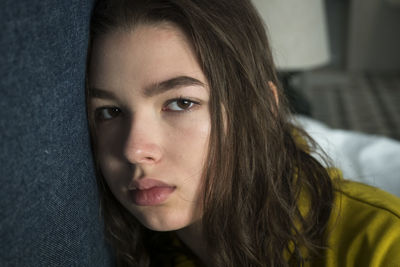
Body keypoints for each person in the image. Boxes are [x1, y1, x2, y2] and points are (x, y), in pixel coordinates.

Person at [86, 0, 400, 266]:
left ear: (261, 108)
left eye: (181, 103)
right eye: (109, 112)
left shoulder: (383, 244)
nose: (134, 150)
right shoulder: (126, 245)